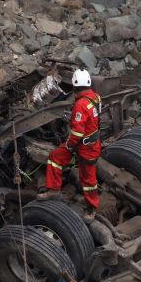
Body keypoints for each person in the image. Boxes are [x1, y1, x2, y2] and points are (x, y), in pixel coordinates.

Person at [40, 69, 102, 211]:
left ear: (74, 85)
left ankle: (92, 208)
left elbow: (77, 133)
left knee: (88, 180)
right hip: (92, 142)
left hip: (84, 147)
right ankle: (54, 190)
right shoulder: (96, 97)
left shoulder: (80, 105)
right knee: (55, 157)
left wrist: (68, 146)